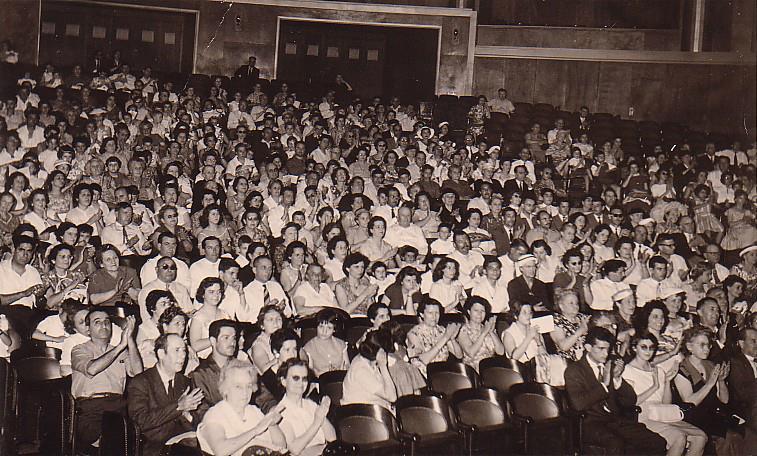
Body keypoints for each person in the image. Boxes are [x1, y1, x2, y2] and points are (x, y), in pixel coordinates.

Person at [564, 326, 667, 455]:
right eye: (601, 349)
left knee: (657, 442)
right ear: (588, 348)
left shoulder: (610, 365)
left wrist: (617, 379)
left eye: (607, 349)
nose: (605, 354)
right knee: (616, 444)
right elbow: (578, 404)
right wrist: (604, 384)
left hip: (615, 421)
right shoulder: (575, 370)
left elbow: (630, 400)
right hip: (590, 423)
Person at [622, 332, 707, 456]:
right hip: (642, 416)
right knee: (679, 437)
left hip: (662, 414)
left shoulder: (658, 370)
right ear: (635, 348)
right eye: (643, 347)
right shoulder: (627, 371)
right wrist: (654, 387)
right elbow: (631, 403)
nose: (648, 351)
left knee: (700, 437)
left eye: (651, 348)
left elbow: (665, 403)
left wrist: (667, 381)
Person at [71, 310, 143, 449]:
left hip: (118, 406)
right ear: (88, 329)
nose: (104, 325)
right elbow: (92, 370)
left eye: (107, 321)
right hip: (91, 407)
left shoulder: (121, 351)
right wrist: (120, 346)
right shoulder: (80, 350)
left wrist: (129, 340)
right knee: (112, 438)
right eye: (97, 322)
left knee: (130, 436)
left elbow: (138, 373)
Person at [127, 334, 201, 455]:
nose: (183, 356)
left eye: (184, 351)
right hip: (157, 446)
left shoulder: (185, 381)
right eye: (177, 350)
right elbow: (141, 421)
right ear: (161, 354)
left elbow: (197, 418)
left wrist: (188, 416)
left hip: (186, 441)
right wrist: (178, 407)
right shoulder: (140, 382)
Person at [197, 359, 287, 456]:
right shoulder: (215, 415)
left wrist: (272, 424)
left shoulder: (253, 411)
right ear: (225, 388)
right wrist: (256, 430)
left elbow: (281, 445)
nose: (245, 392)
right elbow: (220, 450)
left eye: (248, 386)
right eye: (238, 386)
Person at [673, 327, 731, 440]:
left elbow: (724, 400)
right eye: (702, 345)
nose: (706, 349)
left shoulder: (710, 365)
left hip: (713, 417)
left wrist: (721, 381)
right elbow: (689, 403)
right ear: (689, 347)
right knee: (730, 438)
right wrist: (709, 384)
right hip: (693, 419)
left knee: (746, 434)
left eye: (708, 345)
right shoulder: (682, 369)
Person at [277, 358, 337, 456]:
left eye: (304, 378)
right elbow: (294, 449)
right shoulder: (280, 412)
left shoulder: (311, 405)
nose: (301, 383)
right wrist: (317, 421)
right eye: (296, 378)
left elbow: (332, 438)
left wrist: (323, 415)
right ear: (283, 381)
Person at [341, 327, 397, 410]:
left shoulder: (364, 359)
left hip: (372, 409)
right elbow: (392, 397)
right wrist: (383, 366)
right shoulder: (361, 369)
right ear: (381, 352)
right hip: (363, 415)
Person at [406, 297, 463, 377]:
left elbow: (459, 355)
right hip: (424, 375)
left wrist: (453, 339)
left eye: (437, 313)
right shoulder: (413, 334)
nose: (434, 316)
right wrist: (445, 337)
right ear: (422, 314)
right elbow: (424, 360)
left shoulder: (441, 330)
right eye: (430, 313)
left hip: (443, 373)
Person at [457, 296, 504, 371]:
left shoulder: (488, 327)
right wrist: (484, 333)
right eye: (476, 310)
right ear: (469, 312)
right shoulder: (463, 330)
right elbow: (471, 353)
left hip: (490, 369)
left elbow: (501, 351)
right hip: (473, 370)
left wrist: (491, 332)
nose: (479, 314)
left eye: (482, 311)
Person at [189, 277, 229, 358]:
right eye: (211, 292)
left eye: (219, 292)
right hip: (205, 361)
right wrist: (217, 338)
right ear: (203, 294)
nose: (216, 295)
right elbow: (195, 346)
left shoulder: (224, 314)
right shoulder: (198, 317)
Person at [302, 308, 349, 376]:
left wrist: (342, 370)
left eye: (329, 328)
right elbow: (310, 371)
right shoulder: (309, 347)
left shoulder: (341, 344)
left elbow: (347, 364)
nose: (324, 331)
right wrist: (324, 373)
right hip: (321, 381)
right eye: (321, 327)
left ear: (334, 329)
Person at [550, 290, 590, 362]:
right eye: (571, 303)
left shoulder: (583, 317)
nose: (575, 306)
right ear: (561, 306)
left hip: (588, 359)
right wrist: (580, 331)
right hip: (569, 362)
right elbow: (563, 346)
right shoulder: (556, 321)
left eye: (577, 303)